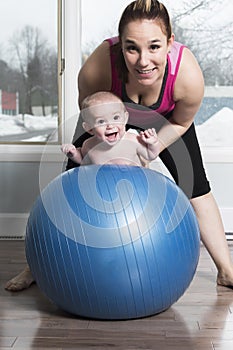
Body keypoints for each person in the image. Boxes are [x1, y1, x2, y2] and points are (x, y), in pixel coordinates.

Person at [5, 0, 233, 292]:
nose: (143, 61)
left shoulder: (188, 76)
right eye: (131, 48)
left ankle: (226, 271)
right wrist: (107, 144)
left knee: (196, 186)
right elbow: (89, 115)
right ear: (119, 45)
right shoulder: (97, 68)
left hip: (166, 120)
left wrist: (149, 148)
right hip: (108, 118)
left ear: (169, 43)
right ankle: (37, 266)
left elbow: (182, 122)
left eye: (154, 47)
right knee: (70, 181)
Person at [61, 91, 160, 166]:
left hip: (133, 188)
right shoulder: (89, 145)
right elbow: (83, 161)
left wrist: (153, 144)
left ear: (125, 118)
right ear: (89, 128)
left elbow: (150, 155)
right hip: (104, 189)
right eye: (101, 121)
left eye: (116, 118)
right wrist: (73, 154)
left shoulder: (133, 140)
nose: (110, 126)